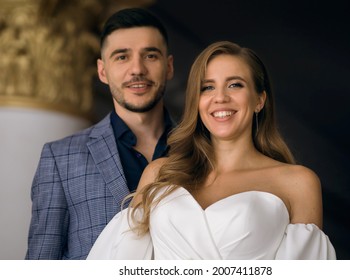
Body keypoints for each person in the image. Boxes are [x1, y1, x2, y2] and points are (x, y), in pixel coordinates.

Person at [87, 41, 336, 260]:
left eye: (235, 85)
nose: (220, 97)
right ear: (197, 101)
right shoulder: (159, 174)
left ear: (259, 100)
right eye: (207, 87)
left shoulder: (298, 183)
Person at [25, 7, 175, 259]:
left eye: (150, 55)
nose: (137, 69)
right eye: (121, 57)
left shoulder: (204, 149)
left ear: (168, 66)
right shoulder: (60, 157)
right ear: (102, 71)